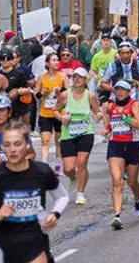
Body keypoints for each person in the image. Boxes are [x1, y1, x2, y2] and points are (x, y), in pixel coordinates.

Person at [0, 123, 68, 263]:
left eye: (17, 144)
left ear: (27, 144)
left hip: (36, 246)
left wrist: (55, 214)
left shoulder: (42, 171)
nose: (12, 150)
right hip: (5, 249)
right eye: (7, 145)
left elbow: (62, 196)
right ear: (2, 147)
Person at [102, 80, 139, 229]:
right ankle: (117, 216)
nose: (119, 92)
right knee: (117, 180)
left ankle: (138, 198)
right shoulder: (111, 105)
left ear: (128, 92)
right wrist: (107, 129)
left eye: (122, 90)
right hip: (116, 146)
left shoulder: (134, 105)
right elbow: (112, 123)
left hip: (133, 145)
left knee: (131, 182)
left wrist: (125, 117)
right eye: (117, 90)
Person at [54, 68, 100, 206]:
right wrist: (62, 118)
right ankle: (74, 178)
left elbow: (97, 113)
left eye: (80, 77)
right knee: (68, 169)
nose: (77, 79)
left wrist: (98, 116)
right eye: (75, 77)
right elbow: (55, 110)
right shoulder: (64, 95)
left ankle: (80, 194)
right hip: (68, 133)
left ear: (85, 79)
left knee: (82, 163)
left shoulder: (90, 96)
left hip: (86, 133)